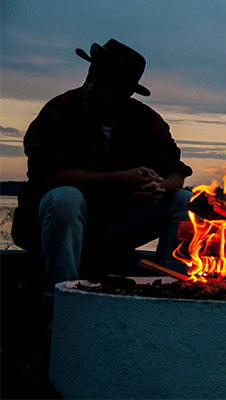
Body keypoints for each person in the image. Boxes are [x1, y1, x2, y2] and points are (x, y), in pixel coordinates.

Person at [11, 39, 193, 302]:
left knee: (184, 202)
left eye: (104, 83)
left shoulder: (145, 120)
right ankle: (62, 299)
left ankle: (171, 295)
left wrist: (158, 186)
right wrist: (123, 180)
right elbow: (50, 175)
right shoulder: (60, 110)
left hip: (116, 224)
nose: (91, 86)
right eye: (92, 76)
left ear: (125, 92)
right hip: (57, 224)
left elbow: (177, 171)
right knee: (66, 198)